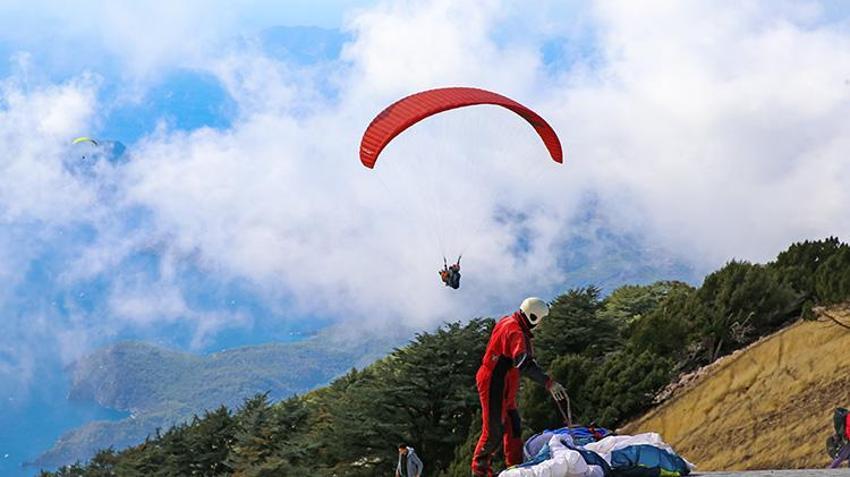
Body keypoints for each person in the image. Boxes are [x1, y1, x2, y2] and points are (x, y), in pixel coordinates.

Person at [471, 297, 569, 477]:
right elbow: (524, 364)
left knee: (513, 424)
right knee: (493, 430)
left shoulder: (508, 321)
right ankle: (480, 471)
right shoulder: (516, 332)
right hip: (494, 380)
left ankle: (516, 467)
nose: (540, 324)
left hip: (504, 379)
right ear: (533, 317)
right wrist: (549, 383)